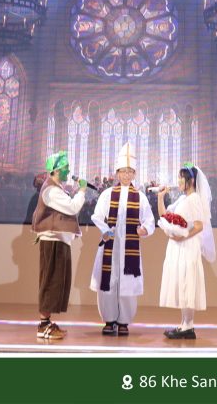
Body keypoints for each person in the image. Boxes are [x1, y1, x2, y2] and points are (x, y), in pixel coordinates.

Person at [90, 143, 154, 336]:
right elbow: (96, 216)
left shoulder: (140, 197)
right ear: (117, 173)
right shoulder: (107, 194)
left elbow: (149, 219)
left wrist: (144, 229)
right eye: (123, 171)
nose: (126, 175)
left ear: (134, 174)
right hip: (111, 245)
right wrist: (105, 229)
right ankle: (109, 320)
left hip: (129, 246)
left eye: (129, 172)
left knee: (127, 283)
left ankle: (124, 321)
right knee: (109, 281)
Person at [31, 150, 87, 340]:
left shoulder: (57, 188)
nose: (68, 171)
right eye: (65, 168)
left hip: (59, 241)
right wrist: (82, 191)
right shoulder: (51, 190)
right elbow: (72, 207)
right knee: (50, 281)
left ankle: (47, 322)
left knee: (57, 283)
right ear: (55, 170)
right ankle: (43, 325)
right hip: (52, 241)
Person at [157, 163, 216, 340]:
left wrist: (183, 236)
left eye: (181, 177)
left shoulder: (194, 199)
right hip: (178, 246)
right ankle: (184, 324)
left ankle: (188, 325)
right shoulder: (183, 199)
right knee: (181, 282)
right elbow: (165, 216)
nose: (179, 181)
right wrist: (160, 198)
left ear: (191, 180)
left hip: (188, 246)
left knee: (187, 282)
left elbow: (199, 225)